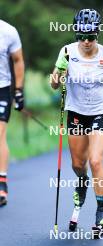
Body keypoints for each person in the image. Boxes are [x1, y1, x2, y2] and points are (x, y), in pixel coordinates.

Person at [51, 9, 103, 232]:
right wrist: (59, 70)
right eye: (81, 36)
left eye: (91, 36)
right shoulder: (67, 52)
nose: (86, 41)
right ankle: (82, 182)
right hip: (75, 112)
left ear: (97, 34)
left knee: (95, 160)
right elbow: (54, 84)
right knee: (78, 165)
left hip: (100, 113)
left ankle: (101, 212)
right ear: (76, 34)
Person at [0, 19, 25, 206]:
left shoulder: (8, 31)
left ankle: (1, 184)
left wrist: (18, 91)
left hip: (2, 89)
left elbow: (18, 60)